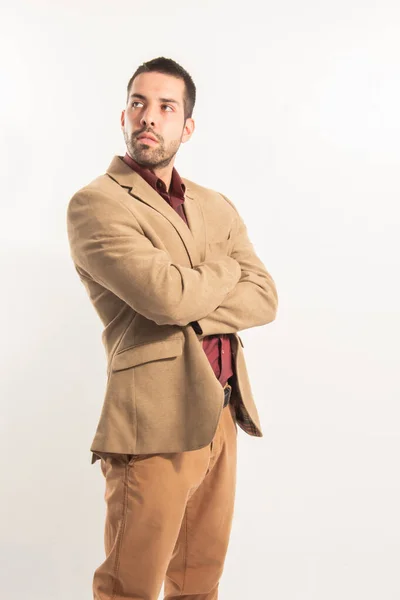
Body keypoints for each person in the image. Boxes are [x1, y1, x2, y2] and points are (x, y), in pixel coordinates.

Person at [66, 56, 278, 600]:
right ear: (123, 114)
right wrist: (226, 270)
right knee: (130, 587)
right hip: (154, 416)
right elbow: (166, 297)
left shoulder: (215, 205)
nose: (148, 117)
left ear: (187, 126)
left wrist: (194, 289)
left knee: (199, 581)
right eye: (139, 103)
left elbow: (265, 297)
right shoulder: (96, 205)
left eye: (165, 107)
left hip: (222, 411)